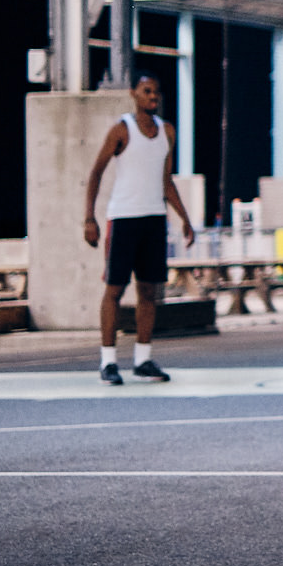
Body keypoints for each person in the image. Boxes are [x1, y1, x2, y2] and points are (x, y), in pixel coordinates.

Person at [83, 73, 196, 385]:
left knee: (148, 291)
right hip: (123, 218)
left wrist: (185, 219)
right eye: (147, 91)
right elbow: (95, 174)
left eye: (156, 92)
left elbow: (166, 180)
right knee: (115, 290)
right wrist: (89, 218)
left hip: (153, 219)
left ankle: (143, 360)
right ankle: (108, 362)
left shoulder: (166, 132)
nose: (153, 97)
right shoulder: (122, 130)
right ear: (133, 94)